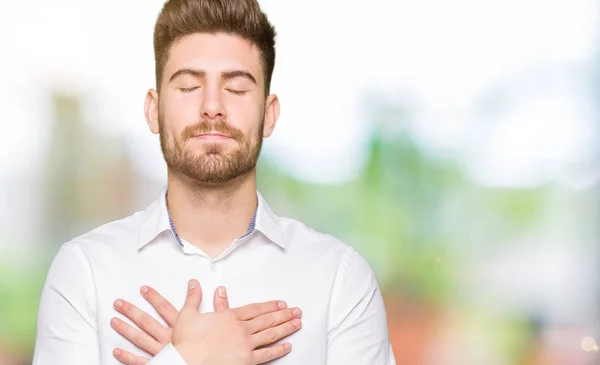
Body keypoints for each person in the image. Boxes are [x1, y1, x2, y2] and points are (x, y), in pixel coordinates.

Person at [32, 0, 396, 364]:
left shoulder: (341, 282)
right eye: (189, 86)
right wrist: (186, 358)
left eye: (236, 89)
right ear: (152, 111)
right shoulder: (83, 274)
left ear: (268, 116)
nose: (211, 106)